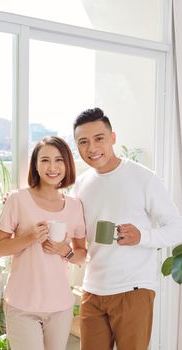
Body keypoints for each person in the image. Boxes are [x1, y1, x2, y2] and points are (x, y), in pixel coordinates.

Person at [72, 107, 182, 350]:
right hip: (92, 290)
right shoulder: (81, 184)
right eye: (83, 142)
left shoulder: (143, 178)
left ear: (112, 138)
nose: (92, 148)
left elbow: (176, 227)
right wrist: (19, 201)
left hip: (133, 288)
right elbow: (66, 219)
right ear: (77, 146)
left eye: (99, 138)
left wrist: (142, 236)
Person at [0, 136, 86, 350]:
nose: (52, 167)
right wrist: (30, 238)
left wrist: (65, 251)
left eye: (59, 160)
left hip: (60, 306)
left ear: (67, 164)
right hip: (22, 304)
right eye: (44, 160)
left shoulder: (74, 206)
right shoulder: (17, 199)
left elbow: (82, 254)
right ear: (35, 164)